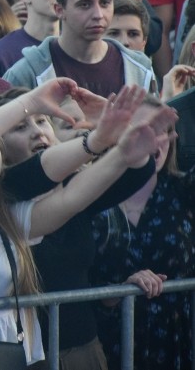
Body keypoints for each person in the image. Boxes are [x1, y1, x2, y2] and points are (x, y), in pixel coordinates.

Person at [0, 79, 169, 365]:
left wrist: (118, 150)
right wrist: (32, 102)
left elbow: (70, 199)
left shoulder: (11, 217)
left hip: (7, 356)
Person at [92, 97, 195, 370]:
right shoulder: (88, 197)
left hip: (177, 345)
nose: (151, 139)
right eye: (139, 129)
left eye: (159, 129)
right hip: (107, 348)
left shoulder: (184, 191)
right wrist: (121, 289)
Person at [4, 0, 155, 95]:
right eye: (85, 5)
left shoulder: (140, 69)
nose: (98, 14)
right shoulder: (26, 74)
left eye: (105, 3)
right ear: (59, 10)